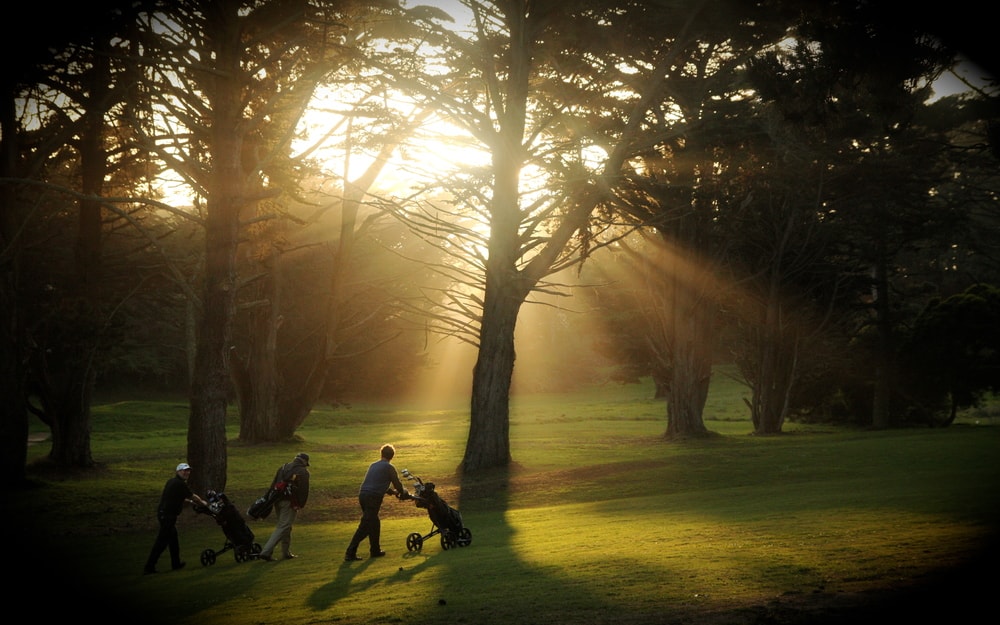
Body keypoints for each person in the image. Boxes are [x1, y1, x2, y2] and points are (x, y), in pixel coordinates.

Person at [345, 444, 408, 561]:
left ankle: (375, 550)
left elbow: (376, 482)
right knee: (366, 525)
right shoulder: (389, 468)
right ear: (392, 456)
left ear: (382, 454)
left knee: (374, 523)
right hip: (373, 498)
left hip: (363, 495)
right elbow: (397, 484)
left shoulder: (373, 465)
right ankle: (350, 552)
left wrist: (391, 492)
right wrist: (403, 492)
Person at [143, 462, 208, 574]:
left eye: (188, 470)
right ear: (178, 472)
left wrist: (191, 502)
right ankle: (149, 567)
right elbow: (192, 495)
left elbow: (178, 497)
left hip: (165, 514)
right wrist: (203, 503)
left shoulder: (172, 482)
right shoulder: (179, 484)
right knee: (161, 542)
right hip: (167, 516)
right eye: (184, 470)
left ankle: (176, 564)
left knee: (173, 540)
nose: (186, 472)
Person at [258, 452, 311, 561]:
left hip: (277, 500)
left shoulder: (283, 467)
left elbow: (273, 485)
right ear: (304, 461)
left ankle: (286, 552)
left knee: (286, 526)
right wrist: (301, 504)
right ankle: (266, 552)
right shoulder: (303, 472)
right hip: (290, 502)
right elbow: (303, 490)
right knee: (283, 526)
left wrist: (268, 499)